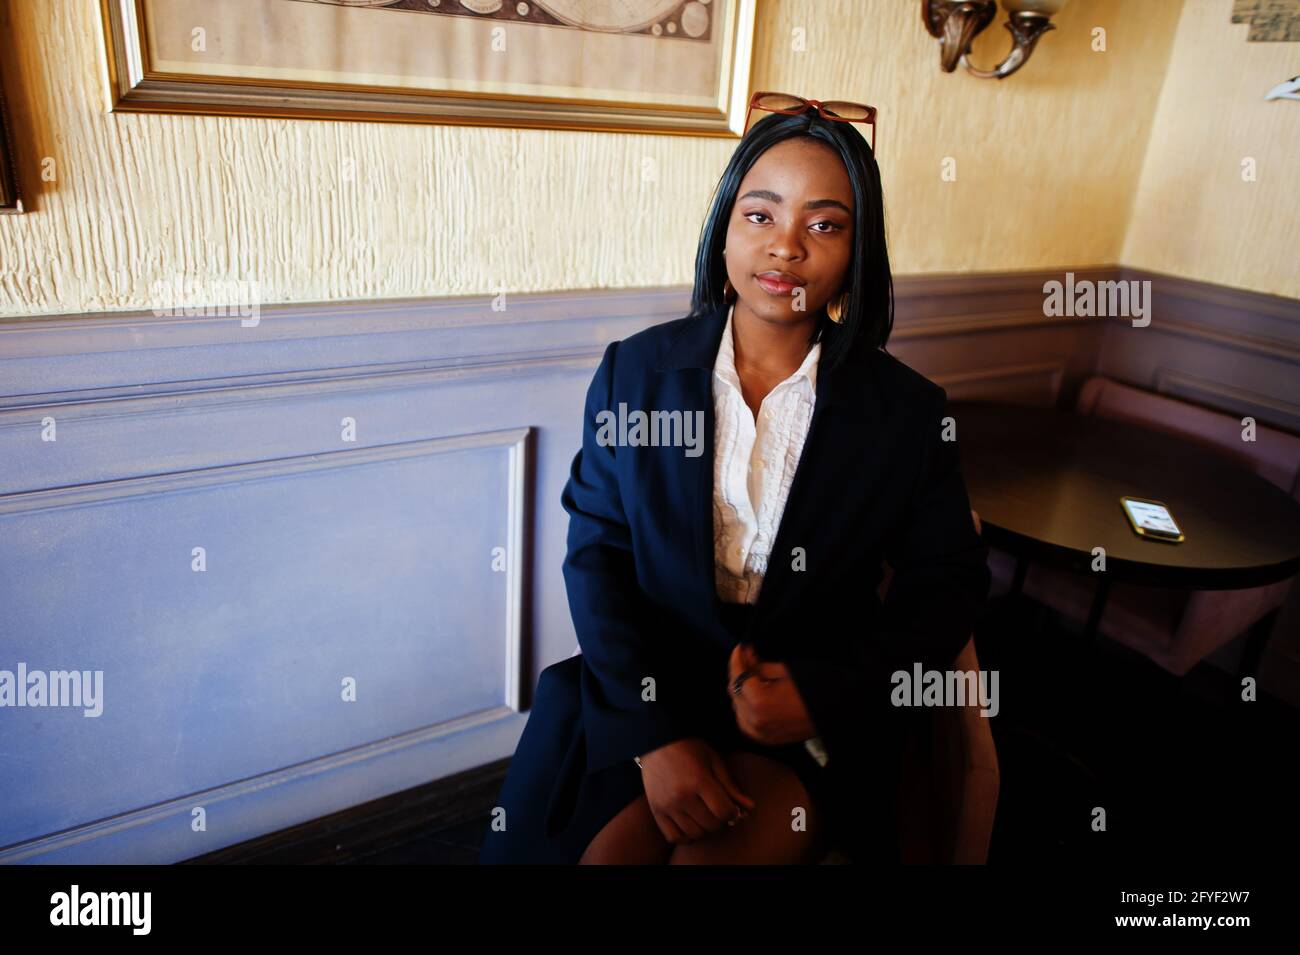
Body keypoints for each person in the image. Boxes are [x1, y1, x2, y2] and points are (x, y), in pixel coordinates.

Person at [478, 96, 990, 865]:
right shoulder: (637, 374)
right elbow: (598, 557)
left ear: (858, 250)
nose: (785, 249)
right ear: (723, 229)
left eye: (824, 224)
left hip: (806, 713)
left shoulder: (907, 414)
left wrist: (823, 692)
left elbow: (947, 584)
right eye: (761, 215)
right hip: (648, 691)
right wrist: (655, 737)